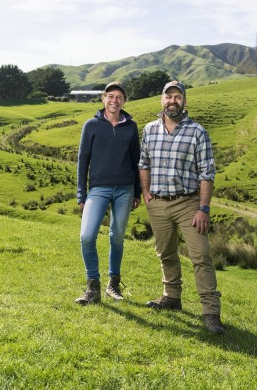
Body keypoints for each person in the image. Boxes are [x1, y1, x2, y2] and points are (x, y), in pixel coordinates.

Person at [138, 80, 223, 334]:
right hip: (158, 204)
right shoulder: (149, 130)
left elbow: (207, 173)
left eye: (177, 97)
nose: (172, 101)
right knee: (165, 252)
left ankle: (210, 313)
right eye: (168, 96)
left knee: (200, 256)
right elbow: (144, 163)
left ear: (184, 101)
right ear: (161, 100)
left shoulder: (198, 132)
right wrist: (145, 192)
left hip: (189, 204)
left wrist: (203, 208)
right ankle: (171, 297)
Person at [75, 81, 141, 305]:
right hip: (98, 189)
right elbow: (83, 161)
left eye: (119, 97)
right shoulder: (91, 125)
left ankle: (113, 285)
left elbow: (136, 160)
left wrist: (138, 192)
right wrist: (81, 194)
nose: (115, 100)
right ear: (103, 98)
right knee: (87, 236)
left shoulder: (131, 127)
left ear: (124, 101)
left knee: (117, 237)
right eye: (111, 96)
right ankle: (92, 286)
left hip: (125, 189)